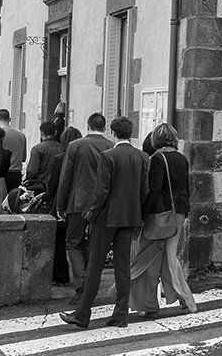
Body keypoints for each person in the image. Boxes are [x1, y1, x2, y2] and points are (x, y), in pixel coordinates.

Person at [60, 116, 149, 329]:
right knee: (123, 267)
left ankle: (82, 314)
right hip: (129, 217)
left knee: (95, 267)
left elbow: (101, 191)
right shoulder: (142, 157)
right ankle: (120, 315)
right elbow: (144, 191)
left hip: (106, 218)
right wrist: (138, 215)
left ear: (113, 132)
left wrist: (91, 214)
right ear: (131, 132)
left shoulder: (108, 156)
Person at [129, 123, 196, 318]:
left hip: (159, 216)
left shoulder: (157, 159)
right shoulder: (182, 159)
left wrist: (142, 215)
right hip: (178, 214)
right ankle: (184, 296)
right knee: (170, 257)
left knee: (149, 260)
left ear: (155, 140)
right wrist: (185, 211)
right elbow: (185, 188)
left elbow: (154, 190)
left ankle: (150, 305)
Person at [56, 113, 113, 302]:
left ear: (88, 126)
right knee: (93, 244)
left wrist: (61, 205)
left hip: (78, 201)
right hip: (103, 203)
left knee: (73, 242)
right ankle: (90, 285)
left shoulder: (75, 146)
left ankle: (81, 284)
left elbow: (66, 178)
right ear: (104, 128)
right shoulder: (111, 146)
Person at [45, 127, 82, 285]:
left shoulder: (59, 158)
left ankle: (61, 275)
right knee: (79, 241)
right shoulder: (84, 157)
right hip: (80, 204)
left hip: (63, 203)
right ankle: (82, 275)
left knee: (59, 241)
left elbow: (52, 185)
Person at [25, 121, 64, 194]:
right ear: (55, 132)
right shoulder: (62, 148)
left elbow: (31, 171)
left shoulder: (37, 149)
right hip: (58, 186)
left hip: (40, 186)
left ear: (41, 133)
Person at [0, 109, 27, 192]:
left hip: (1, 173)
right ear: (9, 119)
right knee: (12, 201)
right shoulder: (21, 135)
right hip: (16, 173)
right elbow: (23, 158)